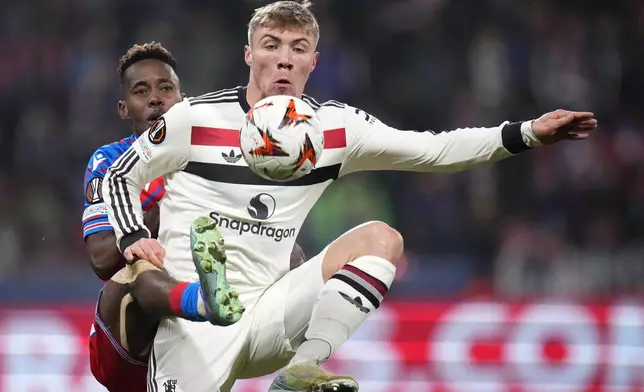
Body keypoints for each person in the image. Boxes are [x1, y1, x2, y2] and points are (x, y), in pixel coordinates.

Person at [102, 2, 597, 391]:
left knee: (382, 240)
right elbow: (119, 174)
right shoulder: (195, 119)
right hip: (198, 323)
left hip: (274, 313)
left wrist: (527, 133)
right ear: (249, 55)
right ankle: (207, 297)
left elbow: (434, 150)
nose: (284, 58)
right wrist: (131, 236)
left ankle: (307, 366)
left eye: (298, 48)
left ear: (313, 62)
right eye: (271, 45)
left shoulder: (334, 129)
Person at [83, 42, 306, 392]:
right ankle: (205, 301)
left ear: (182, 101)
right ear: (124, 109)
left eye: (165, 88)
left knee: (291, 254)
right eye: (141, 92)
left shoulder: (216, 153)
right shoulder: (110, 161)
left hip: (192, 344)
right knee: (141, 269)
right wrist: (177, 196)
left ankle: (300, 367)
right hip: (128, 345)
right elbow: (101, 259)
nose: (155, 99)